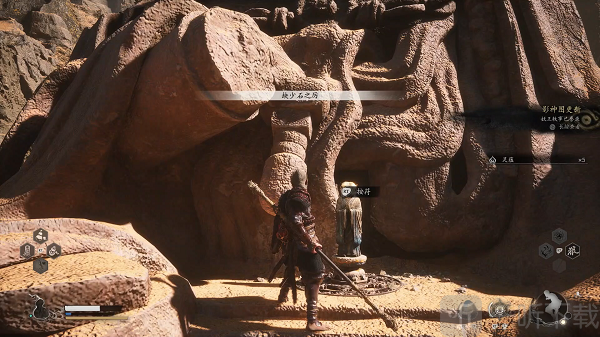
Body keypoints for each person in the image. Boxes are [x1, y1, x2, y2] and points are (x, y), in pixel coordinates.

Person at [271, 169, 330, 331]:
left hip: (292, 245)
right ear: (306, 181)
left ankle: (282, 296)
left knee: (291, 268)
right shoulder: (299, 197)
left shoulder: (287, 196)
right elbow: (296, 222)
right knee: (315, 275)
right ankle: (312, 320)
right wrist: (310, 242)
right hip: (303, 245)